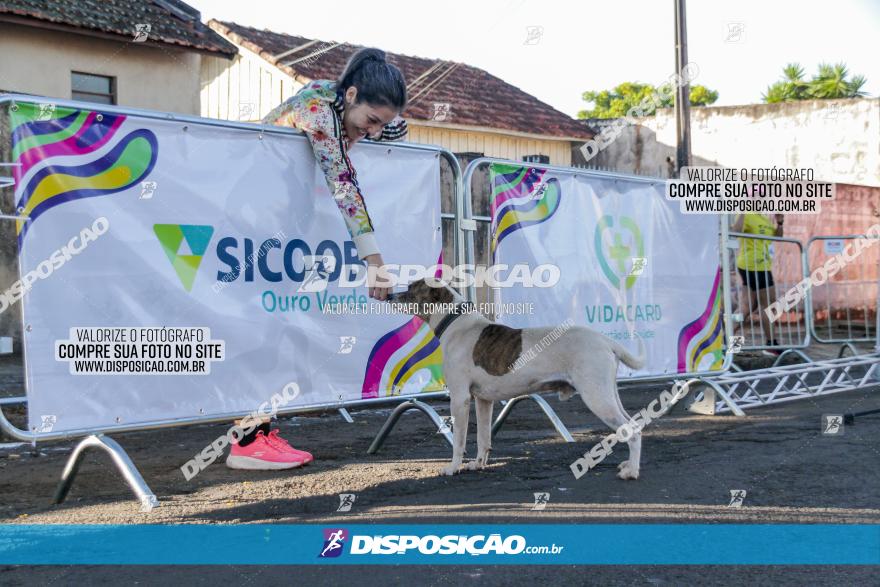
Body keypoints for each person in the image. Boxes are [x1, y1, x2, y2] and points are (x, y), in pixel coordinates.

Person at [225, 48, 409, 471]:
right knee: (262, 324)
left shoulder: (337, 101)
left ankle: (259, 429)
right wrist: (374, 261)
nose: (374, 133)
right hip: (249, 224)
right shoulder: (317, 111)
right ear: (352, 94)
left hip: (274, 225)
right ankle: (246, 440)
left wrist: (384, 128)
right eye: (372, 122)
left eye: (383, 125)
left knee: (277, 323)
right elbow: (343, 184)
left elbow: (361, 140)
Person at [732, 212, 785, 355]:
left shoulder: (765, 218)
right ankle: (771, 344)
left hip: (762, 265)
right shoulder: (747, 215)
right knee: (769, 303)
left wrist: (779, 223)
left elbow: (777, 237)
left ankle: (726, 340)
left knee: (747, 305)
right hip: (752, 265)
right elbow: (735, 231)